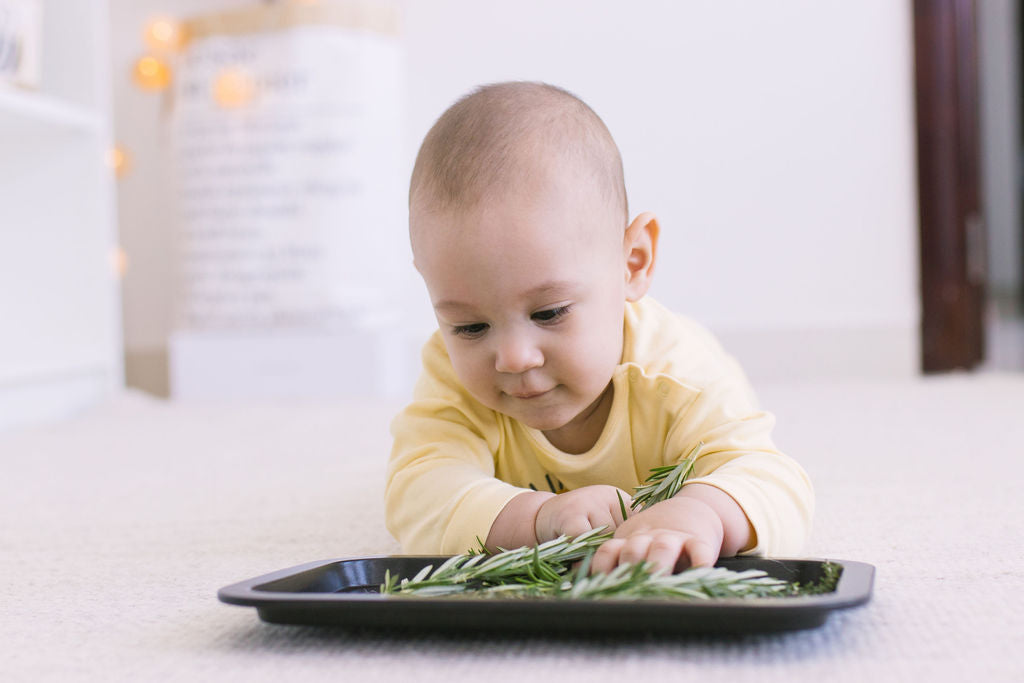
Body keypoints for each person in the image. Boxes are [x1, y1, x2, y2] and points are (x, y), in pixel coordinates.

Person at [386, 81, 813, 574]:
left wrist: (702, 511)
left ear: (632, 263)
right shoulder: (450, 373)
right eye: (470, 326)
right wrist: (537, 519)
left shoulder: (677, 374)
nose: (514, 357)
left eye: (549, 313)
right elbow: (415, 493)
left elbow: (774, 480)